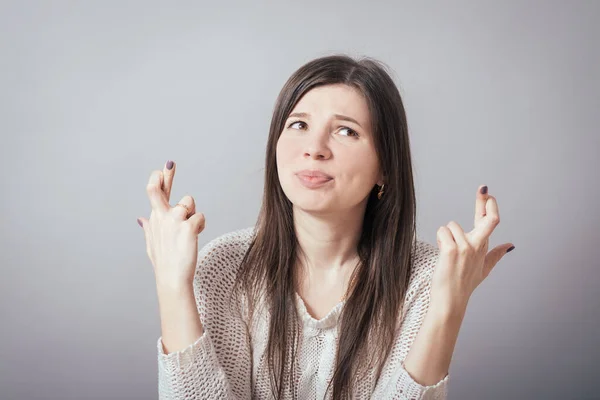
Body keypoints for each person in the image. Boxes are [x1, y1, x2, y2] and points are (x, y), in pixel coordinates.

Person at [137, 54, 515, 400]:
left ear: (386, 165)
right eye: (298, 124)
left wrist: (447, 306)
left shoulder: (424, 278)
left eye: (346, 131)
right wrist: (172, 286)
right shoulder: (224, 267)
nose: (315, 148)